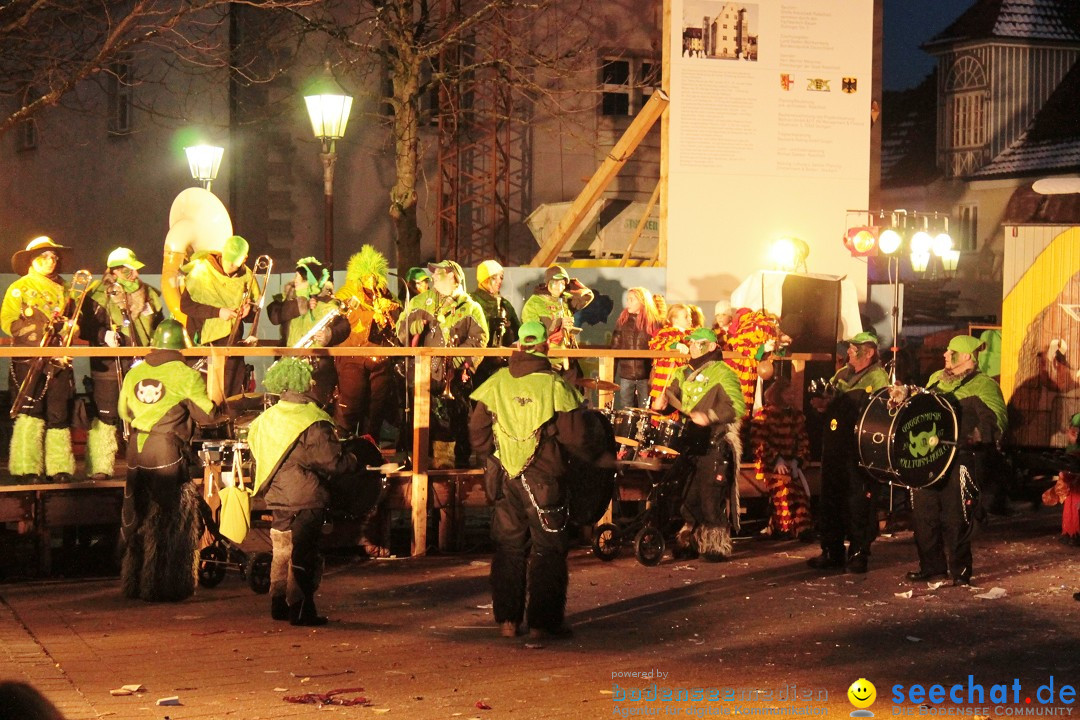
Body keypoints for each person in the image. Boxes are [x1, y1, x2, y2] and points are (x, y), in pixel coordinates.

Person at [469, 321, 597, 639]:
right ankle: (542, 623)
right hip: (544, 478)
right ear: (544, 348)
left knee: (509, 547)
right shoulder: (554, 385)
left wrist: (491, 456)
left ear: (518, 347)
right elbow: (574, 436)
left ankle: (508, 622)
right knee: (548, 549)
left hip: (505, 477)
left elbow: (477, 429)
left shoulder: (496, 383)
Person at [247, 358, 360, 625]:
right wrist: (355, 460)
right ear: (306, 384)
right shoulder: (313, 420)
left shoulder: (265, 419)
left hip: (277, 494)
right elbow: (332, 461)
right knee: (303, 552)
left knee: (282, 548)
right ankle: (301, 609)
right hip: (307, 496)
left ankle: (277, 602)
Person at [118, 319, 216, 601]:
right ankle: (165, 588)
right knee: (170, 523)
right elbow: (208, 415)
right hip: (165, 452)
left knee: (137, 519)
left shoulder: (134, 373)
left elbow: (123, 412)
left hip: (137, 449)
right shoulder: (186, 374)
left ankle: (134, 584)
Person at [902, 335, 1007, 586]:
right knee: (923, 514)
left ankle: (959, 570)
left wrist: (979, 434)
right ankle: (932, 567)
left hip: (960, 458)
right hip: (928, 457)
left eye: (952, 352)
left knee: (955, 516)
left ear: (967, 357)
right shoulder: (936, 378)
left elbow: (999, 419)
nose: (945, 355)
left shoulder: (984, 385)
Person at [652, 327, 745, 561]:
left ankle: (716, 545)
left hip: (716, 440)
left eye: (698, 343)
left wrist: (709, 416)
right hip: (691, 442)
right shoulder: (682, 372)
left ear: (712, 346)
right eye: (691, 343)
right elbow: (673, 398)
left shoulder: (724, 373)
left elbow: (737, 407)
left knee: (709, 496)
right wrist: (662, 404)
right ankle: (690, 540)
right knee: (688, 496)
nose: (692, 346)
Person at [807, 331, 889, 574]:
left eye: (854, 347)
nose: (849, 351)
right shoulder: (842, 373)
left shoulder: (878, 377)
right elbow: (830, 400)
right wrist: (821, 406)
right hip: (834, 445)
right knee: (830, 500)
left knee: (858, 502)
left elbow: (878, 413)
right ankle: (831, 551)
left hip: (858, 449)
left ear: (870, 351)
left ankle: (858, 554)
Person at [80, 247, 164, 479]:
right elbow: (86, 327)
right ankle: (100, 466)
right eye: (127, 271)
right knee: (105, 416)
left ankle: (144, 464)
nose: (133, 275)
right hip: (108, 365)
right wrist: (103, 336)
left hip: (142, 364)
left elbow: (159, 325)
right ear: (113, 272)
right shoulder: (97, 295)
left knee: (143, 414)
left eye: (134, 270)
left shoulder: (150, 295)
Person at [1, 236, 79, 482]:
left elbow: (76, 319)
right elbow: (7, 321)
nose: (50, 262)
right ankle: (27, 467)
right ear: (32, 260)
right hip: (29, 359)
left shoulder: (67, 288)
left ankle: (59, 467)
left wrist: (70, 329)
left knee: (59, 413)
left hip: (58, 358)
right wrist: (37, 329)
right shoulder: (19, 287)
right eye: (44, 257)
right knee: (30, 412)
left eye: (54, 257)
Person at [398, 259, 488, 467]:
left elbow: (480, 339)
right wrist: (411, 328)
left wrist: (455, 359)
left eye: (438, 273)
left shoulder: (471, 308)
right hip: (423, 374)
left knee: (456, 422)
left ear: (453, 277)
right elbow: (400, 327)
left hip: (456, 377)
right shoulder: (421, 302)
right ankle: (420, 467)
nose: (433, 277)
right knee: (422, 421)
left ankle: (452, 471)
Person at [332, 245, 402, 439]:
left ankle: (368, 452)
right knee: (350, 407)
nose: (371, 280)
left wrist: (389, 311)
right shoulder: (346, 293)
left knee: (375, 411)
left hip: (380, 359)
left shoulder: (385, 294)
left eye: (375, 275)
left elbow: (400, 318)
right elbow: (334, 316)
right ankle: (343, 451)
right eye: (368, 275)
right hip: (352, 356)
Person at [179, 234, 259, 397]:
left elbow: (254, 309)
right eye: (227, 261)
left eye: (234, 263)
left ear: (245, 258)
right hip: (202, 342)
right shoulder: (201, 271)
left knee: (231, 393)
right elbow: (185, 306)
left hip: (232, 343)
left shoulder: (247, 276)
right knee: (202, 392)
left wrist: (248, 312)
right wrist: (217, 312)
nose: (229, 267)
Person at [267, 257, 350, 405]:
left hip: (317, 372)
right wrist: (300, 304)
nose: (296, 280)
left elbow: (344, 327)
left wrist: (329, 335)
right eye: (296, 277)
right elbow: (274, 315)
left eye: (301, 278)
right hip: (289, 367)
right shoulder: (288, 300)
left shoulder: (327, 303)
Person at [750, 377, 813, 540]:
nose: (791, 396)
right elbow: (759, 442)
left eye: (792, 393)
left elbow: (803, 441)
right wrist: (776, 459)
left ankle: (801, 528)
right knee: (784, 490)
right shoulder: (764, 414)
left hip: (791, 465)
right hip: (770, 465)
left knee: (798, 493)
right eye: (788, 393)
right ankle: (785, 528)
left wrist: (796, 461)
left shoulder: (797, 416)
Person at [520, 265, 594, 379]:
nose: (559, 287)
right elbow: (531, 336)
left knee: (571, 394)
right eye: (555, 283)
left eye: (562, 283)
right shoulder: (534, 303)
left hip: (567, 359)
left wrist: (571, 286)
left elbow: (588, 296)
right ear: (547, 283)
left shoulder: (564, 300)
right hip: (547, 360)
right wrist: (557, 322)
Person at [470, 259, 521, 387]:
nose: (499, 281)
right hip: (477, 363)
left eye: (501, 277)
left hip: (500, 362)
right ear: (483, 279)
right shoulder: (470, 301)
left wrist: (508, 331)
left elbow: (518, 333)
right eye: (494, 277)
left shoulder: (505, 305)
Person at [611, 287, 662, 409]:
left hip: (646, 375)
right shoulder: (622, 321)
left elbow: (659, 347)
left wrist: (655, 373)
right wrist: (610, 375)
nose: (628, 303)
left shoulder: (653, 322)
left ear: (642, 301)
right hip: (626, 375)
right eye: (627, 299)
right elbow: (614, 347)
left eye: (632, 300)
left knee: (646, 408)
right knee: (626, 408)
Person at [648, 303, 695, 408]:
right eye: (686, 316)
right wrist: (676, 345)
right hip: (667, 380)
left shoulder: (693, 335)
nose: (690, 319)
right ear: (675, 319)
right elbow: (656, 344)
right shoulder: (665, 333)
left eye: (690, 316)